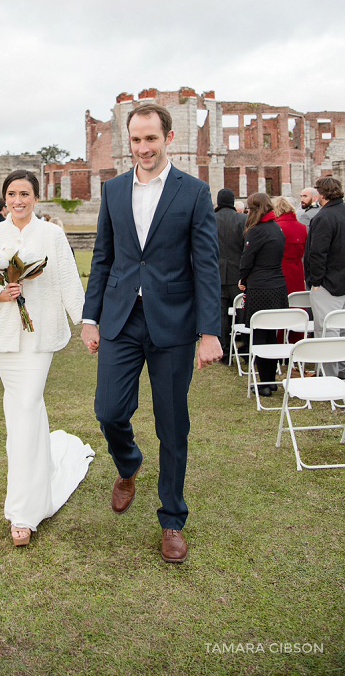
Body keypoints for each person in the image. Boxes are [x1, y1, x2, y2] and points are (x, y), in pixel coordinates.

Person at [81, 103, 221, 565]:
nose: (143, 148)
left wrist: (208, 331)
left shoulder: (195, 191)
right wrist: (90, 317)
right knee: (108, 410)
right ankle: (128, 464)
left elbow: (206, 264)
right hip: (121, 318)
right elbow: (103, 257)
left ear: (168, 139)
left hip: (174, 323)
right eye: (136, 140)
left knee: (171, 423)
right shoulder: (113, 189)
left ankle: (172, 519)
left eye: (151, 139)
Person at [0, 170, 92, 546]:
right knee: (23, 410)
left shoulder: (52, 235)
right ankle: (36, 488)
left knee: (25, 405)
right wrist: (1, 294)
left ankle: (22, 512)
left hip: (40, 336)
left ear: (36, 198)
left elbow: (69, 282)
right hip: (4, 337)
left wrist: (86, 323)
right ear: (4, 198)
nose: (18, 200)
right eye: (12, 194)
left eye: (25, 193)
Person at [238, 193, 287, 397]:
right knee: (271, 334)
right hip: (277, 284)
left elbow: (247, 259)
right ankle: (270, 380)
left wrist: (242, 278)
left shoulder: (256, 231)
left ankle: (264, 382)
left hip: (260, 286)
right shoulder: (277, 227)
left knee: (259, 335)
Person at [304, 175, 345, 377]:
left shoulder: (323, 217)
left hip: (328, 283)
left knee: (327, 331)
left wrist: (316, 281)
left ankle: (329, 376)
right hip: (338, 280)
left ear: (321, 193)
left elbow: (318, 252)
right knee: (341, 329)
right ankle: (340, 371)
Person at [214, 189, 246, 364]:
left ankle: (224, 351)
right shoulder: (243, 220)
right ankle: (244, 344)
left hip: (217, 272)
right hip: (237, 272)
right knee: (240, 309)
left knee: (221, 313)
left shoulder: (211, 219)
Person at [272, 197, 308, 297]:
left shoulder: (276, 226)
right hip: (298, 270)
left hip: (279, 271)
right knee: (297, 302)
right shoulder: (302, 227)